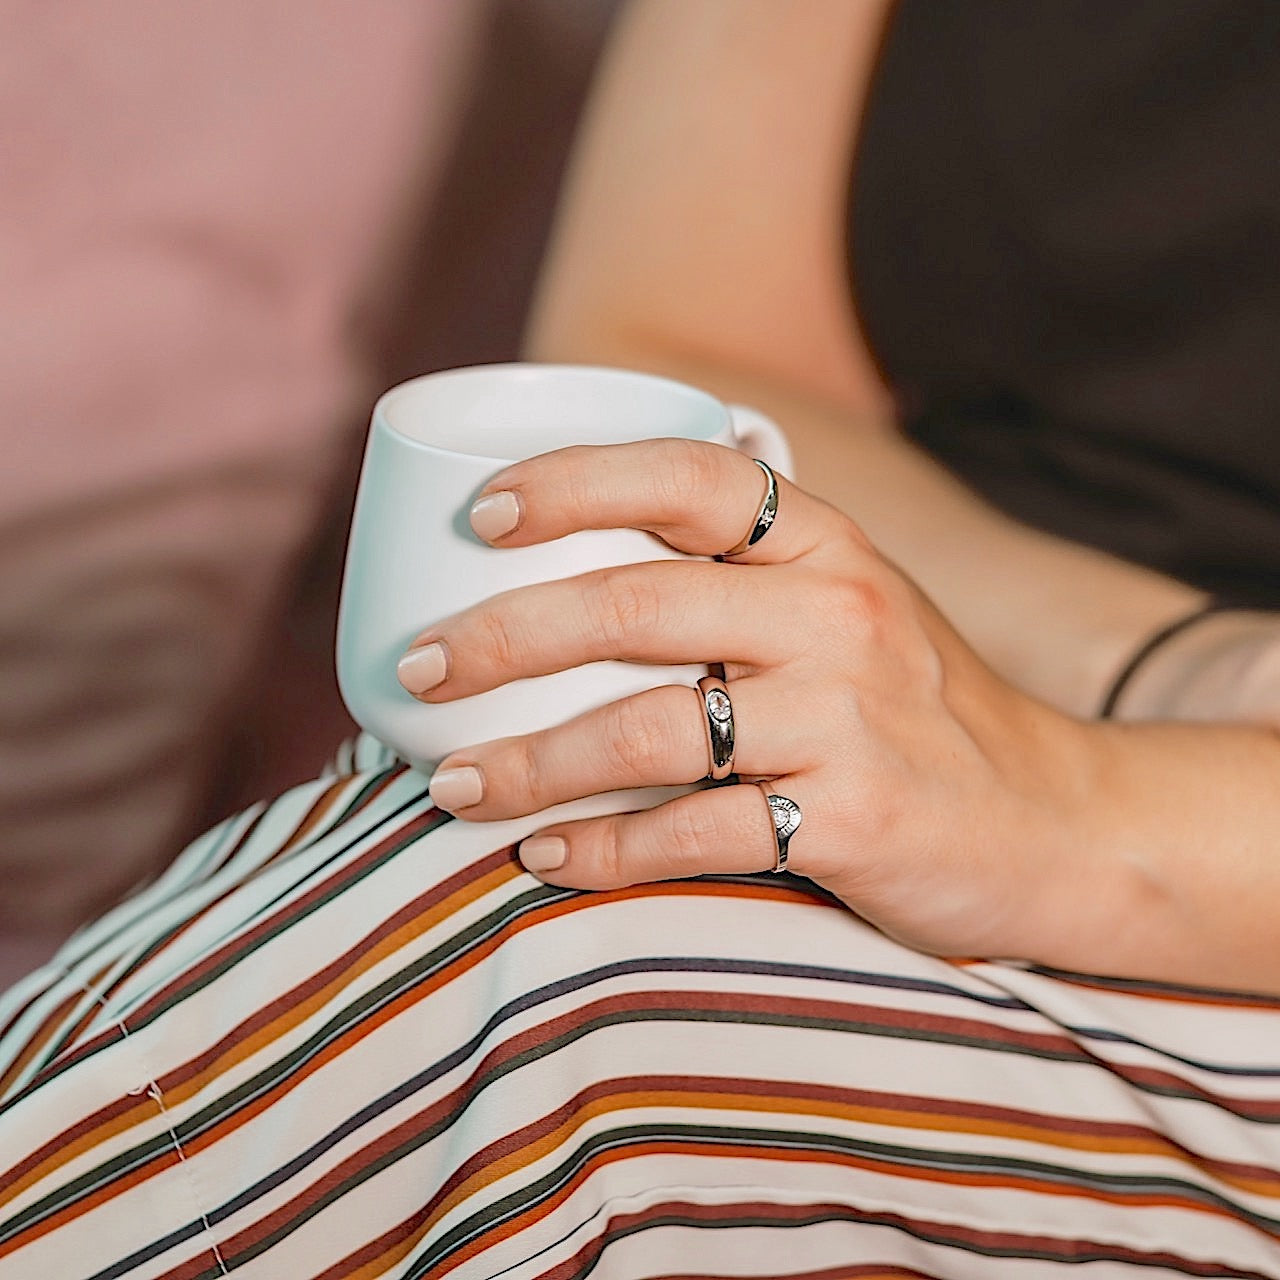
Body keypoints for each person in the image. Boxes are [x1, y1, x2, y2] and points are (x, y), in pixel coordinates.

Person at [3, 2, 1279, 1276]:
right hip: (918, 704)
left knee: (553, 987)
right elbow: (674, 348)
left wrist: (1080, 798)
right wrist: (1161, 666)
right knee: (483, 849)